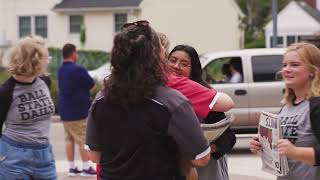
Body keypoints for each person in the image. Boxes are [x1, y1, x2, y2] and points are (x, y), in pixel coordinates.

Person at [86, 20, 211, 180]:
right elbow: (201, 158)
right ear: (155, 57)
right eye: (162, 49)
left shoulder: (101, 99)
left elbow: (94, 156)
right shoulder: (173, 103)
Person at [250, 42, 320, 180]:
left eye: (295, 65)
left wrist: (296, 152)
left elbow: (293, 150)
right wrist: (263, 146)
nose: (286, 69)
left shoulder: (316, 105)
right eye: (284, 65)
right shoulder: (286, 107)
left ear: (313, 71)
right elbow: (283, 150)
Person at [168, 44, 236, 180]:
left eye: (184, 64)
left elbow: (229, 137)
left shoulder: (202, 94)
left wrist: (208, 150)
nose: (176, 66)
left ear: (193, 70)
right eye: (173, 60)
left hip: (206, 170)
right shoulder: (161, 92)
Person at [0, 36, 57, 179]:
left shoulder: (45, 81)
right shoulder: (6, 91)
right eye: (46, 57)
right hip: (14, 156)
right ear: (33, 60)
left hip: (44, 154)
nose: (48, 60)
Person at [58, 43, 96, 177]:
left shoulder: (60, 70)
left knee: (69, 139)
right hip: (78, 111)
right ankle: (86, 167)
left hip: (64, 110)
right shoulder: (78, 69)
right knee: (82, 139)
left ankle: (72, 167)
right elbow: (91, 83)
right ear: (73, 53)